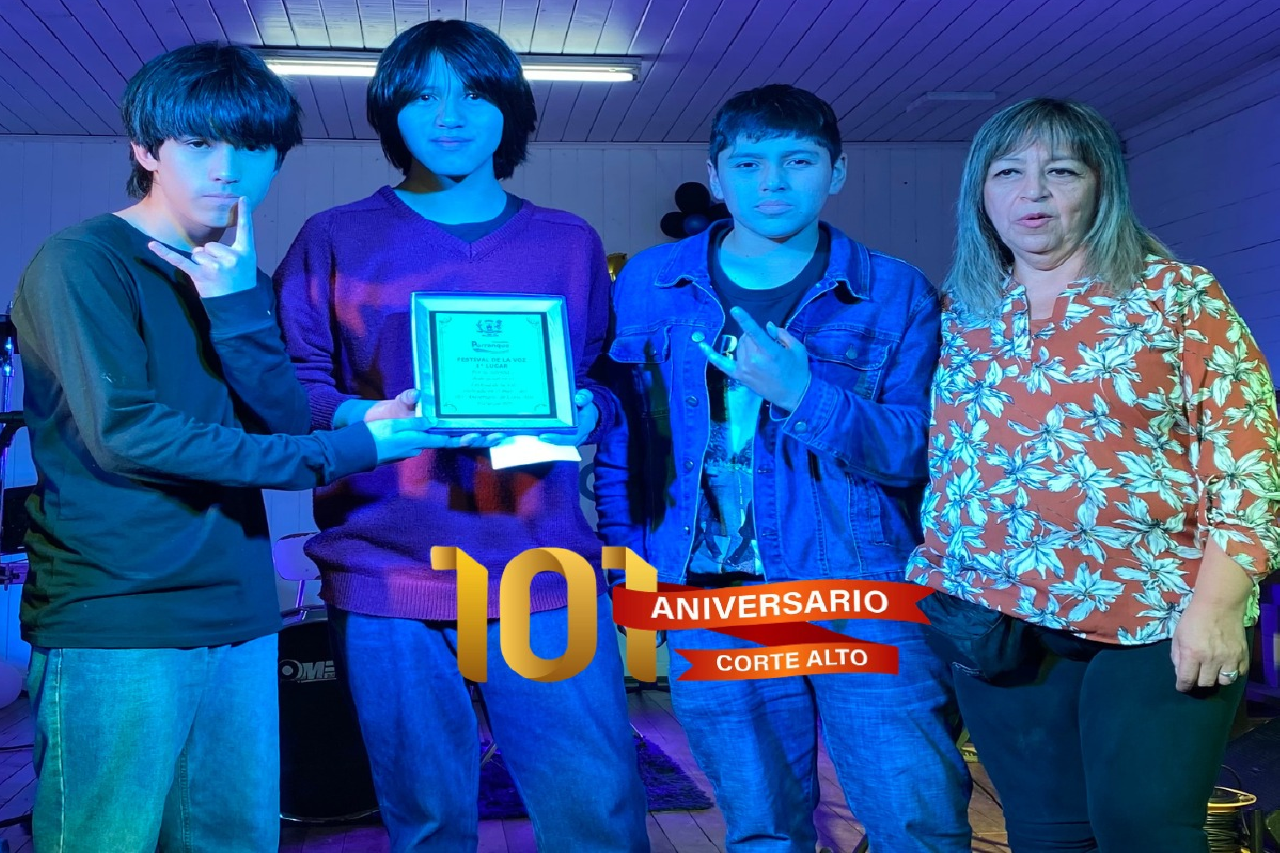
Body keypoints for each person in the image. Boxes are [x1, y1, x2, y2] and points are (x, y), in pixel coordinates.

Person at [11, 43, 451, 853]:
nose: (228, 168)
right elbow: (131, 433)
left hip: (243, 613)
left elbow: (280, 421)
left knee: (236, 840)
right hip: (118, 616)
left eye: (251, 146)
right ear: (146, 149)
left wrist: (238, 305)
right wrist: (349, 448)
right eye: (199, 143)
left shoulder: (242, 279)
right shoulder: (82, 262)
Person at [273, 19, 649, 853]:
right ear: (390, 112)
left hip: (543, 573)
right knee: (427, 824)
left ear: (510, 110)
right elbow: (294, 390)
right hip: (387, 574)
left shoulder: (569, 242)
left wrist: (587, 409)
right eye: (423, 95)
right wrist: (364, 418)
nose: (450, 116)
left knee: (598, 816)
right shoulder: (334, 238)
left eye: (474, 93)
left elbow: (602, 377)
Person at [594, 83, 972, 853]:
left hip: (862, 588)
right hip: (711, 601)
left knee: (917, 823)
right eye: (749, 163)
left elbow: (921, 450)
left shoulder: (893, 290)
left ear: (836, 171)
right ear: (716, 174)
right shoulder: (649, 283)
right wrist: (631, 558)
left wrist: (805, 395)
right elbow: (625, 438)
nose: (772, 182)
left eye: (798, 161)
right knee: (763, 829)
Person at [905, 97, 1280, 852]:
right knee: (1047, 836)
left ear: (1101, 185)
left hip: (1158, 612)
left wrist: (1218, 604)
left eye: (1062, 172)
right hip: (1000, 617)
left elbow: (1249, 460)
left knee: (1144, 829)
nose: (1033, 193)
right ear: (980, 191)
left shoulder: (1177, 295)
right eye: (1008, 172)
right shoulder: (962, 313)